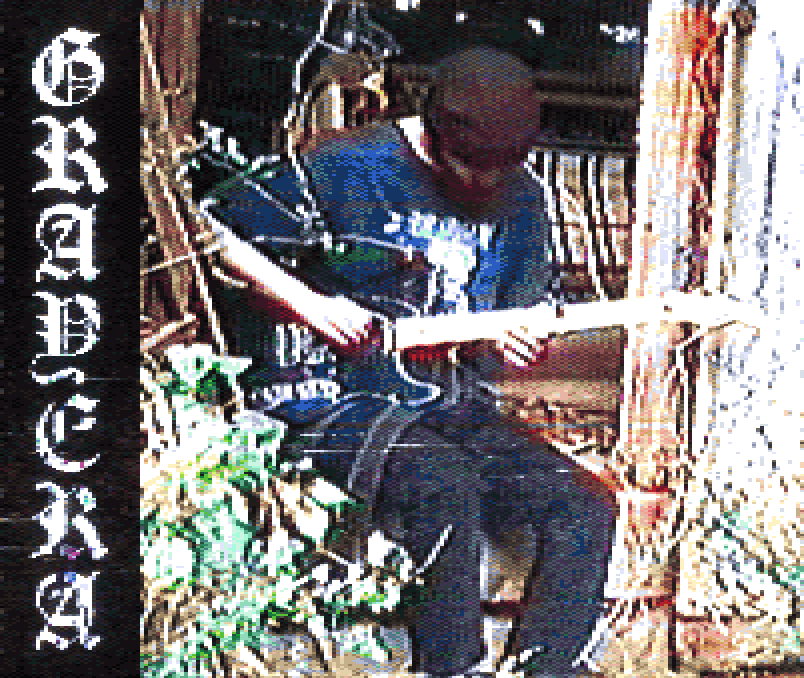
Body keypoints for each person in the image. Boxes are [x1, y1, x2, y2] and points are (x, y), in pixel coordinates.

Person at [203, 46, 616, 678]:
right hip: (329, 399)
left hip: (442, 403)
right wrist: (308, 304)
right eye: (469, 168)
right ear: (432, 132)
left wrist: (509, 344)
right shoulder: (345, 165)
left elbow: (502, 325)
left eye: (501, 171)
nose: (484, 185)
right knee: (444, 483)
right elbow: (207, 230)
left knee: (585, 506)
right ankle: (450, 668)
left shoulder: (523, 200)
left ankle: (545, 668)